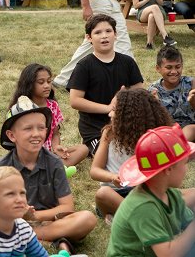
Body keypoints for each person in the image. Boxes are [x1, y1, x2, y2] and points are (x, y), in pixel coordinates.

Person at [0, 95, 97, 254]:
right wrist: (19, 215)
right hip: (13, 223)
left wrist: (34, 216)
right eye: (28, 128)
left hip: (49, 222)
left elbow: (67, 206)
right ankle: (55, 241)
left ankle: (26, 239)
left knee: (87, 218)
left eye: (41, 128)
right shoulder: (2, 167)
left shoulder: (54, 163)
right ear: (11, 135)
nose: (36, 134)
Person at [107, 124, 195, 257]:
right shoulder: (143, 206)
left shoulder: (170, 195)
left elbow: (188, 223)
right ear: (168, 170)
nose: (186, 170)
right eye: (184, 164)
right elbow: (168, 255)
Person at [52, 0, 133, 88]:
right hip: (103, 3)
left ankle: (62, 80)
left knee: (90, 45)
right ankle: (131, 82)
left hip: (110, 2)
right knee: (121, 42)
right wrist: (85, 6)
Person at [90, 88, 173, 224]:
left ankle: (130, 218)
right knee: (103, 193)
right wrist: (112, 177)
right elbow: (94, 171)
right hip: (116, 194)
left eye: (115, 110)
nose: (110, 114)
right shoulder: (109, 134)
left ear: (131, 116)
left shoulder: (151, 139)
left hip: (143, 192)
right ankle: (143, 219)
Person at [67, 14, 144, 156]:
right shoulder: (84, 66)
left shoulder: (127, 62)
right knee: (111, 157)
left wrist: (123, 96)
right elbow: (75, 100)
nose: (104, 36)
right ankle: (89, 147)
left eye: (108, 31)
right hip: (94, 127)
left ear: (115, 34)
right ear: (89, 38)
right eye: (98, 32)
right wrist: (108, 108)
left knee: (140, 151)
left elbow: (139, 89)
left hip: (123, 123)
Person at [10, 63, 88, 167]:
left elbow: (55, 133)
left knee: (83, 149)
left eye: (49, 81)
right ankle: (54, 169)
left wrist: (56, 147)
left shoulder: (53, 105)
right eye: (41, 82)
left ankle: (53, 168)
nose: (46, 86)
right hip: (27, 154)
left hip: (49, 154)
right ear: (29, 84)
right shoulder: (21, 108)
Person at [148, 46, 195, 142]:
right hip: (166, 131)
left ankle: (177, 147)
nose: (174, 72)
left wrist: (193, 102)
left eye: (178, 67)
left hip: (190, 128)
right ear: (158, 68)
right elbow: (152, 121)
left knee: (191, 129)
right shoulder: (153, 90)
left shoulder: (191, 83)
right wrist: (156, 106)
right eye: (168, 67)